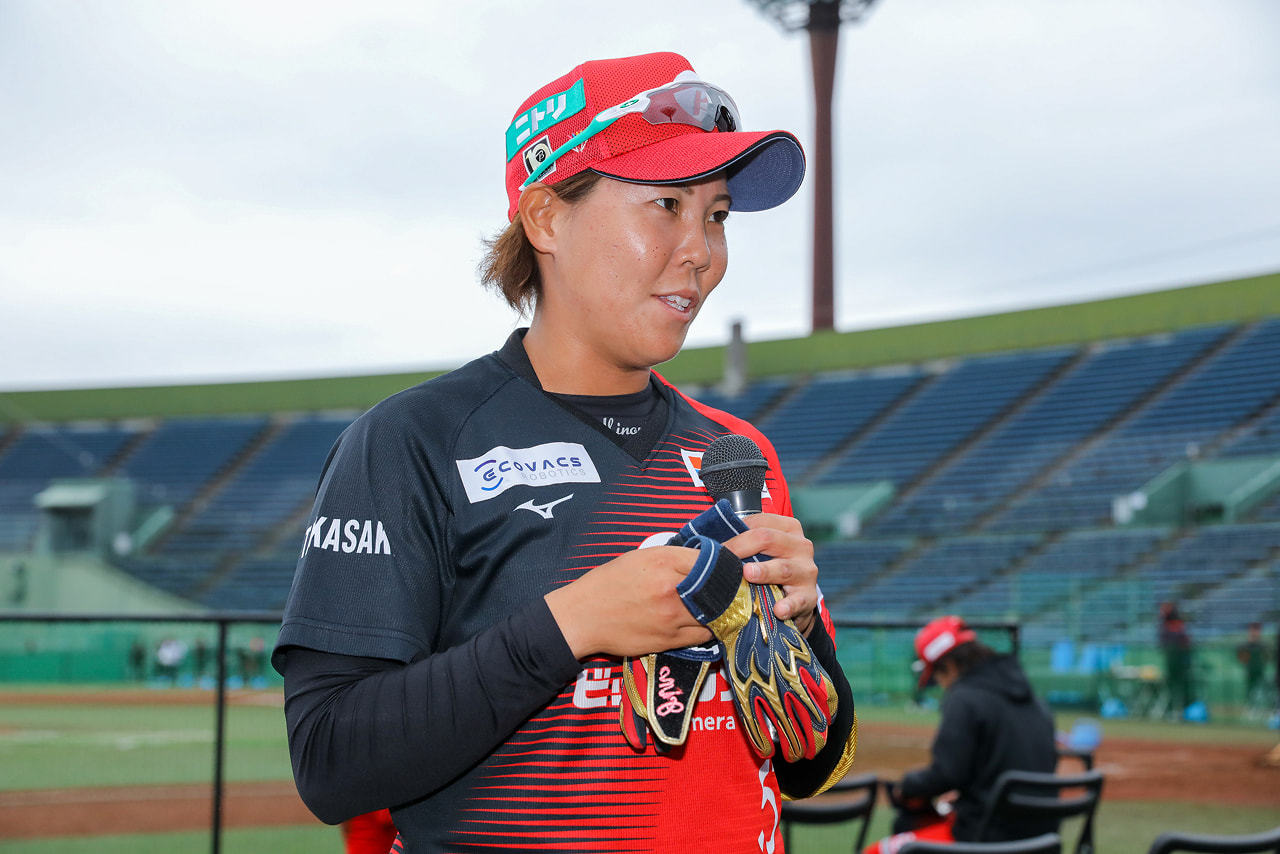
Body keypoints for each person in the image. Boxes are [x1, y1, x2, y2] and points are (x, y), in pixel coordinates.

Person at [272, 51, 857, 853]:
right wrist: (574, 623)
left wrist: (800, 629)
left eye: (717, 215)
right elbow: (330, 762)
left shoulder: (737, 453)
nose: (702, 252)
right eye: (666, 205)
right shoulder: (412, 442)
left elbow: (810, 766)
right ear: (546, 218)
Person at [867, 616, 1057, 853]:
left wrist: (908, 784)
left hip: (986, 839)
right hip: (1043, 839)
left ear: (949, 666)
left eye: (937, 676)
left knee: (876, 851)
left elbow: (947, 774)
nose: (942, 685)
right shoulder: (1033, 700)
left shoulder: (964, 697)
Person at [1159, 601, 1195, 718]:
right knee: (1172, 687)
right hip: (1173, 662)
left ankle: (1184, 710)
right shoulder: (1167, 627)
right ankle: (1173, 710)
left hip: (1181, 662)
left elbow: (1185, 643)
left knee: (1182, 686)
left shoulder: (1177, 626)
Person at [1236, 622, 1267, 715]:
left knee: (1261, 689)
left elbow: (1266, 657)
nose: (1255, 632)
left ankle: (1262, 707)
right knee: (1250, 689)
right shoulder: (1246, 645)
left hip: (1260, 670)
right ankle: (1252, 707)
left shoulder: (1262, 646)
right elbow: (1241, 657)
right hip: (1250, 671)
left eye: (1257, 630)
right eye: (1253, 630)